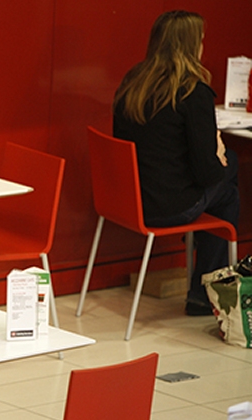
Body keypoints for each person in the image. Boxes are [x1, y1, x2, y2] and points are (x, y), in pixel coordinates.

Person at [112, 10, 239, 316]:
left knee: (222, 177)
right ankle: (204, 292)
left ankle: (202, 281)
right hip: (171, 208)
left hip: (129, 203)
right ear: (192, 45)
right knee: (229, 181)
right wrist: (217, 153)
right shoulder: (194, 93)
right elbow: (206, 173)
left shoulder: (133, 83)